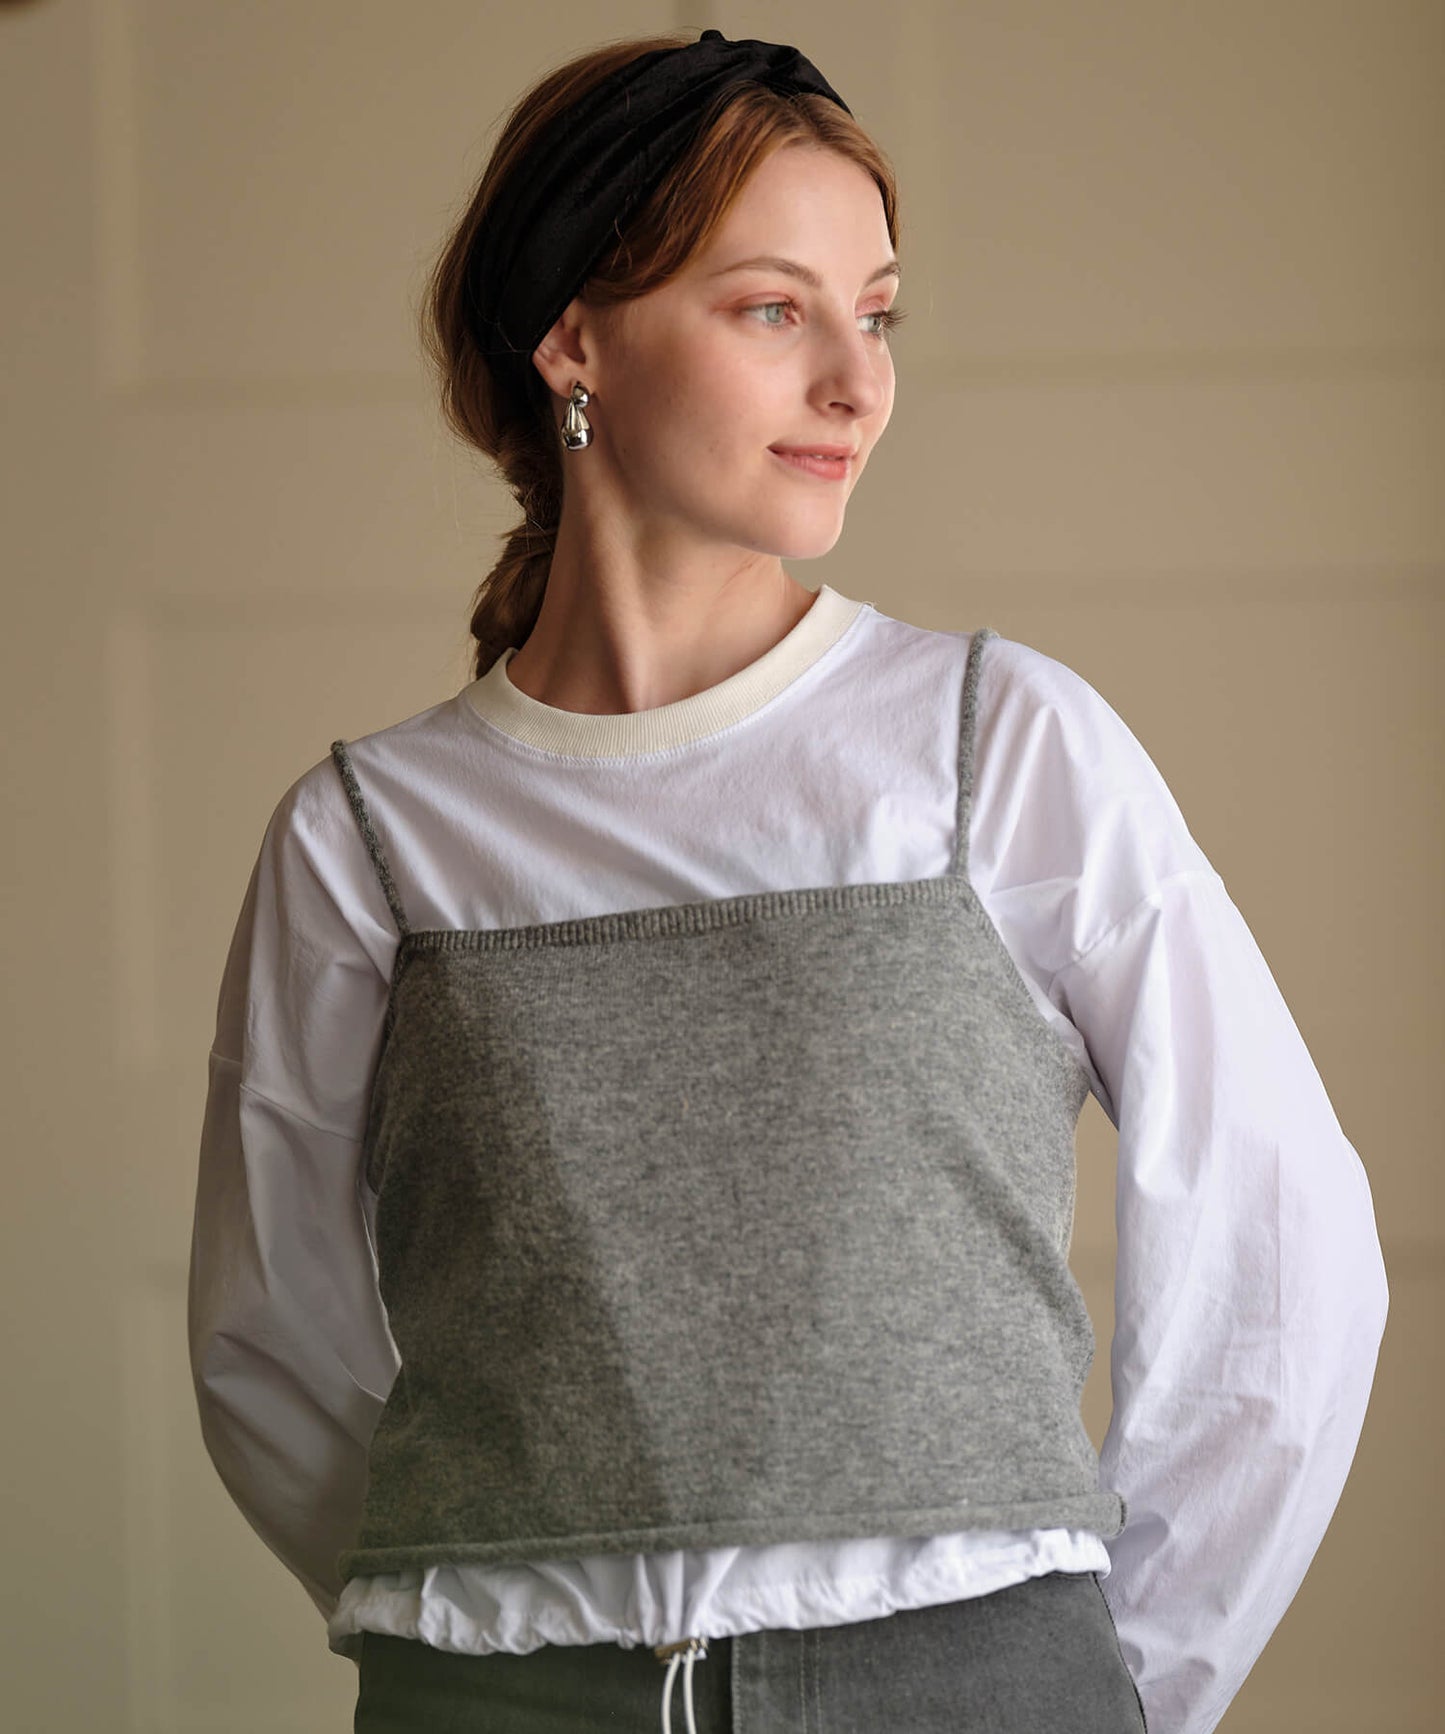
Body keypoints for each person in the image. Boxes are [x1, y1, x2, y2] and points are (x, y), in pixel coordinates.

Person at [186, 26, 1389, 1734]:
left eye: (874, 314)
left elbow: (1284, 1246)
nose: (855, 382)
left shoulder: (996, 747)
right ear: (571, 339)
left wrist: (1109, 1686)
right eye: (773, 310)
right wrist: (481, 1623)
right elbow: (267, 1338)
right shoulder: (367, 837)